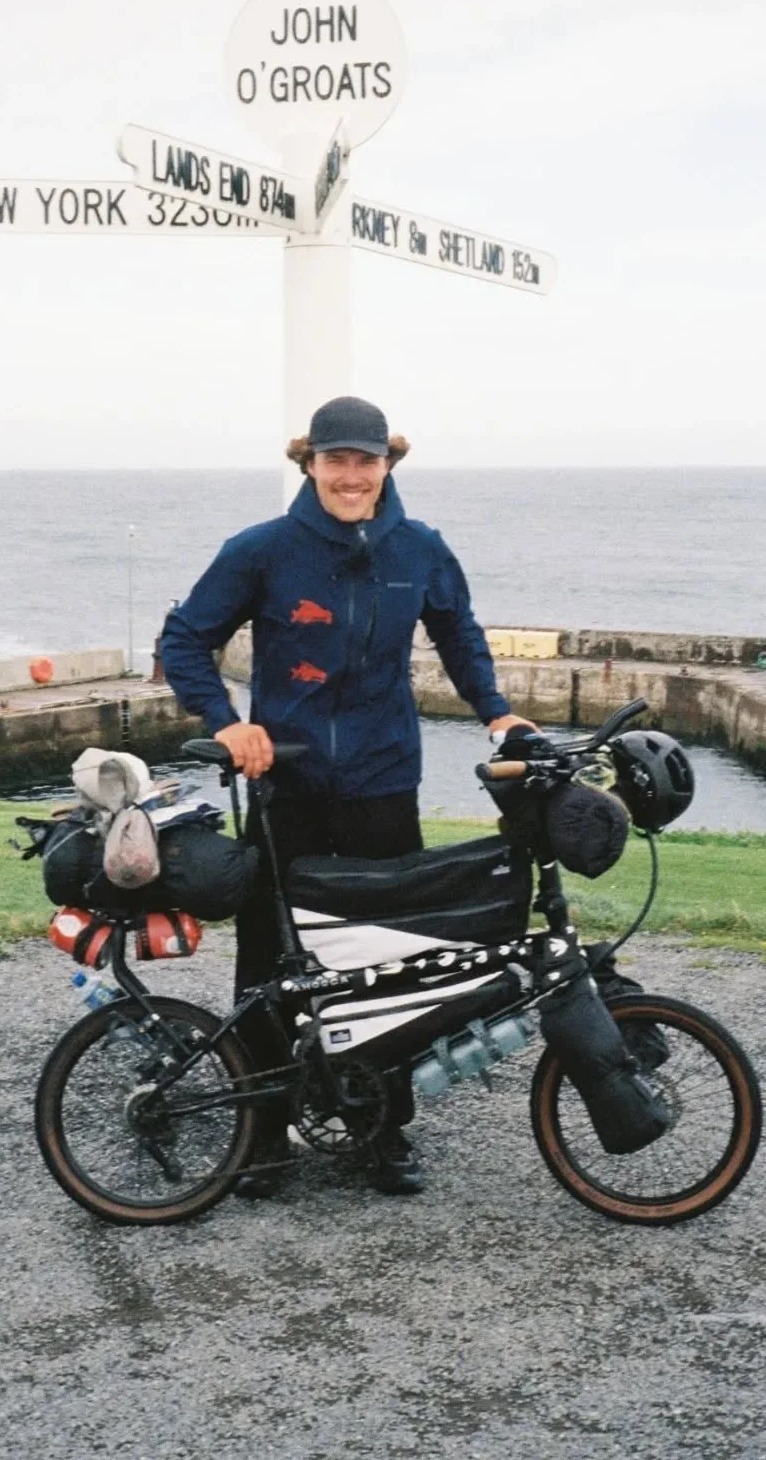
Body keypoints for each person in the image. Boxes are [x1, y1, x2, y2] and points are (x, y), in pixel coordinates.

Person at [159, 395, 534, 1196]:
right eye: (337, 460)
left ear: (388, 464)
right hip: (284, 784)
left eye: (368, 460)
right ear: (310, 463)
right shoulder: (262, 549)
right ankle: (262, 1134)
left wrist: (497, 712)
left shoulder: (421, 549)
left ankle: (380, 1127)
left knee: (391, 957)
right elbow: (185, 638)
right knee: (272, 960)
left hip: (383, 781)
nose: (352, 475)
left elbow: (459, 635)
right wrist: (226, 723)